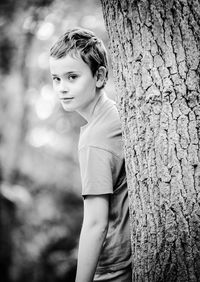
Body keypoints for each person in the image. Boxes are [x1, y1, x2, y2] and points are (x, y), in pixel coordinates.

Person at [49, 27, 132, 282]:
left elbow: (96, 224)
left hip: (114, 270)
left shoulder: (95, 138)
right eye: (56, 78)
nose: (62, 88)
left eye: (72, 77)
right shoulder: (116, 116)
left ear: (99, 76)